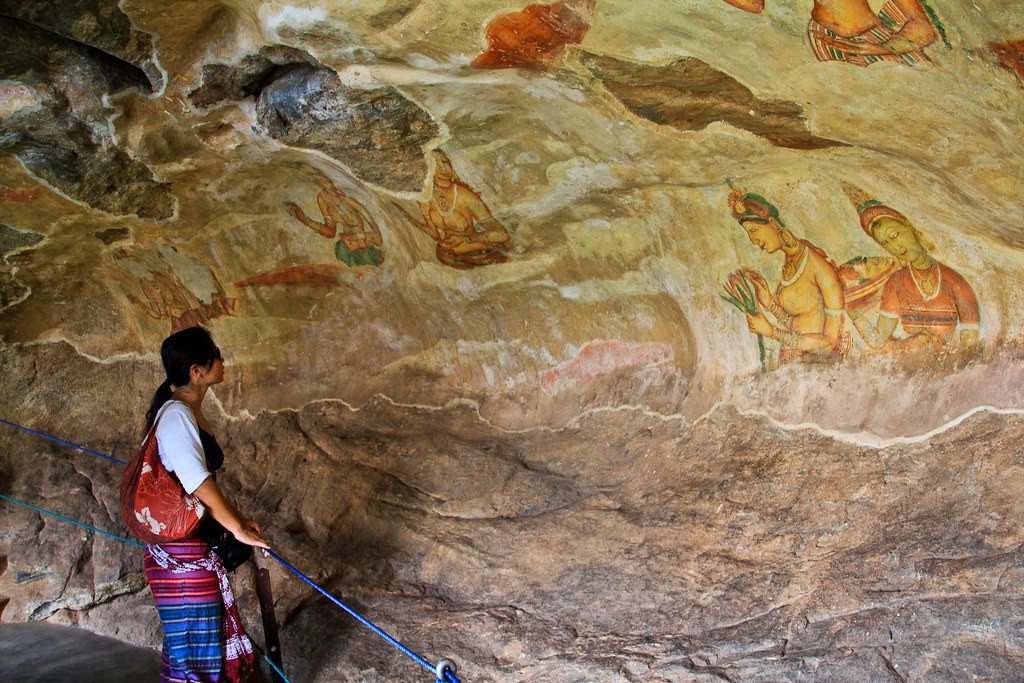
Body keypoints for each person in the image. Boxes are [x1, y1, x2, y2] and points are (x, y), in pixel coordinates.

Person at [142, 326, 269, 682]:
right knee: (197, 650)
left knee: (197, 644)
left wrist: (238, 518)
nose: (223, 360)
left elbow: (199, 480)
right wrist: (237, 529)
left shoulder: (187, 410)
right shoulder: (177, 415)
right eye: (216, 355)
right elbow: (197, 483)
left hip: (190, 543)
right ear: (197, 370)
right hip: (181, 553)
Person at [841, 183, 980, 352]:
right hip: (907, 360)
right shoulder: (896, 283)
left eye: (894, 235)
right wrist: (856, 317)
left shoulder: (956, 282)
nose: (895, 246)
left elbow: (969, 348)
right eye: (885, 243)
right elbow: (878, 340)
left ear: (909, 228)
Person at [729, 187, 847, 364]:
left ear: (773, 223)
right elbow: (796, 322)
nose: (753, 241)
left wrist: (772, 332)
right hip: (793, 364)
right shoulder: (792, 261)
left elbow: (829, 343)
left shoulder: (820, 268)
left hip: (816, 367)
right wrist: (769, 303)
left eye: (753, 230)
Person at [721, 0, 939, 67]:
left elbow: (924, 27)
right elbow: (753, 4)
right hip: (829, 40)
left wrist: (886, 48)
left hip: (879, 41)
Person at [396, 150, 513, 268]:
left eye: (445, 162)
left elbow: (503, 234)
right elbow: (433, 232)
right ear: (426, 171)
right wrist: (408, 217)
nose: (444, 169)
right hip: (448, 255)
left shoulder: (465, 196)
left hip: (476, 253)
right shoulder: (425, 198)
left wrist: (471, 238)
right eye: (436, 165)